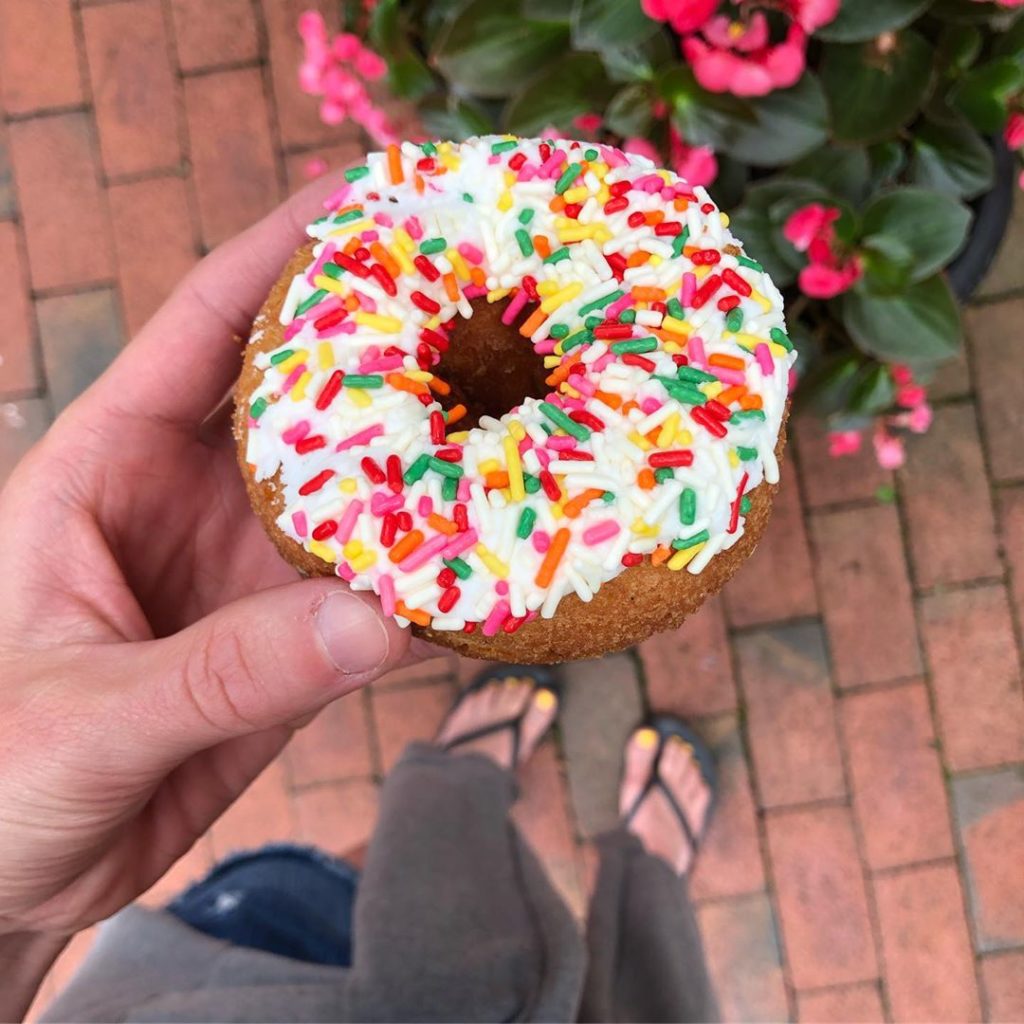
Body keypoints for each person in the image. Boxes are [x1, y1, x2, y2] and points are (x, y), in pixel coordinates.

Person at [0, 177, 719, 1023]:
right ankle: (641, 870)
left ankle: (471, 768)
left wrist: (13, 919)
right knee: (624, 979)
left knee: (363, 872)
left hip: (188, 978)